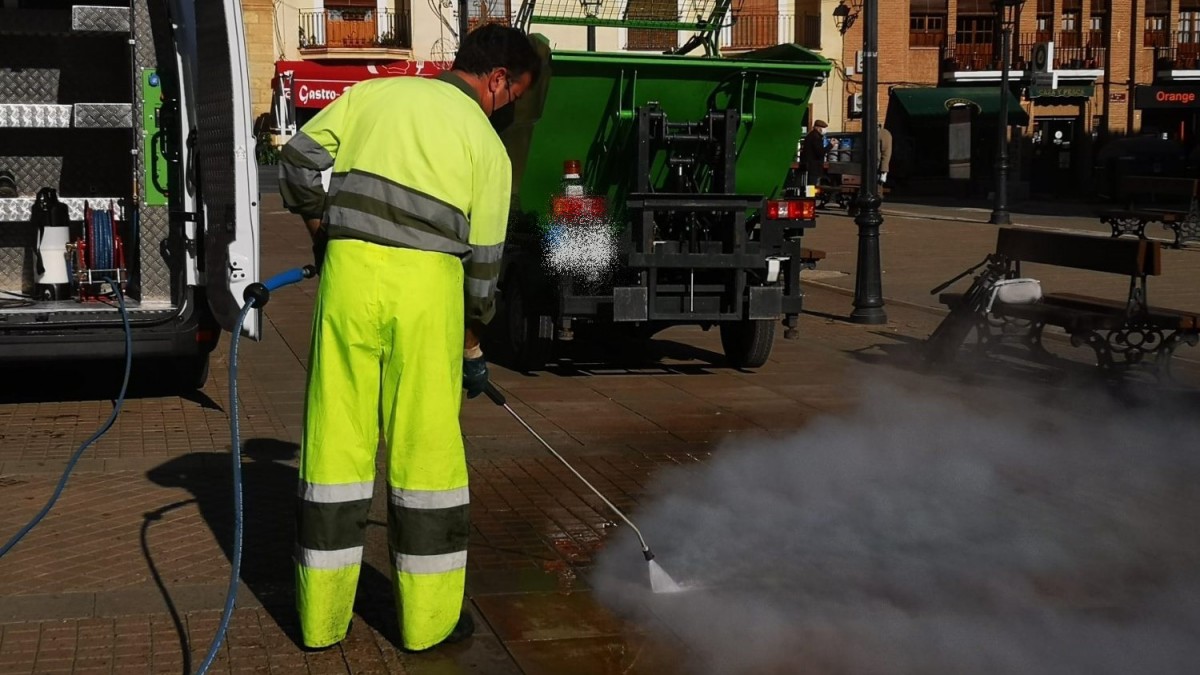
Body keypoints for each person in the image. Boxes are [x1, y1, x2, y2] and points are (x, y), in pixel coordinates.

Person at [276, 24, 541, 653]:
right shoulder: (486, 146)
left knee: (334, 452)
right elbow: (484, 266)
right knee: (426, 461)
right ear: (497, 80)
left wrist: (322, 227)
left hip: (349, 280)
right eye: (515, 96)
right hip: (430, 296)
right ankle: (427, 626)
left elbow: (298, 159)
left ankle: (319, 623)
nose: (509, 110)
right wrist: (472, 342)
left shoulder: (379, 95)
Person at [801, 119, 828, 185]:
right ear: (817, 128)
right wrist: (830, 145)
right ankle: (810, 195)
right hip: (814, 166)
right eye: (823, 128)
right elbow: (820, 152)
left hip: (811, 165)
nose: (824, 130)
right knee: (812, 186)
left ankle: (810, 195)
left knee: (811, 186)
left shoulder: (811, 135)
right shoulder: (816, 137)